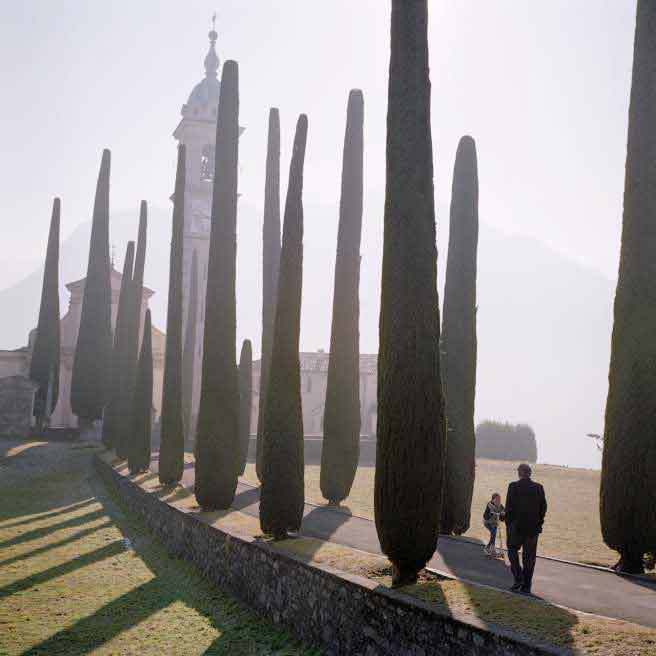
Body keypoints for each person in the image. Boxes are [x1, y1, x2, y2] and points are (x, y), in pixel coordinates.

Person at [505, 463, 547, 594]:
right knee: (529, 558)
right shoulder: (539, 488)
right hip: (533, 529)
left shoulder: (513, 487)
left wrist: (508, 523)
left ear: (520, 473)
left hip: (516, 528)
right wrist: (539, 523)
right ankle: (526, 586)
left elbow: (509, 508)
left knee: (512, 551)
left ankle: (518, 578)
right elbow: (543, 507)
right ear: (529, 473)